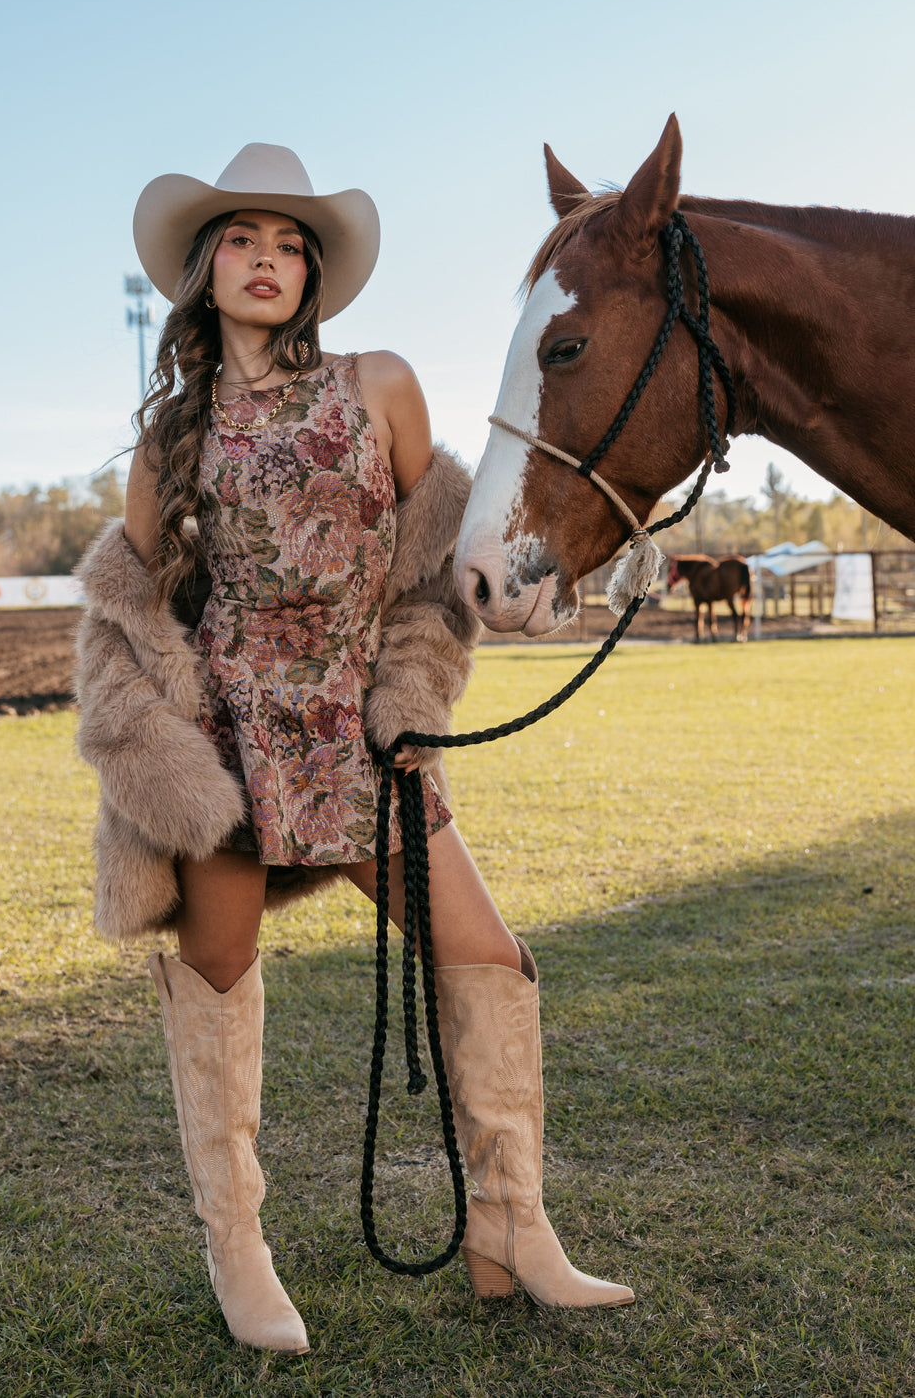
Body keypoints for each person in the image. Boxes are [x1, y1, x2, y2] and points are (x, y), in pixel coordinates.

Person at [75, 144, 634, 1355]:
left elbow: (434, 572)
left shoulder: (382, 384)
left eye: (289, 244)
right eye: (242, 240)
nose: (266, 260)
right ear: (203, 270)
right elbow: (130, 610)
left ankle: (513, 1228)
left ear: (315, 272)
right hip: (230, 747)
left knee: (489, 955)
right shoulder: (170, 438)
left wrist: (413, 702)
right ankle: (240, 1249)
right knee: (216, 986)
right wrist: (165, 762)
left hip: (359, 735)